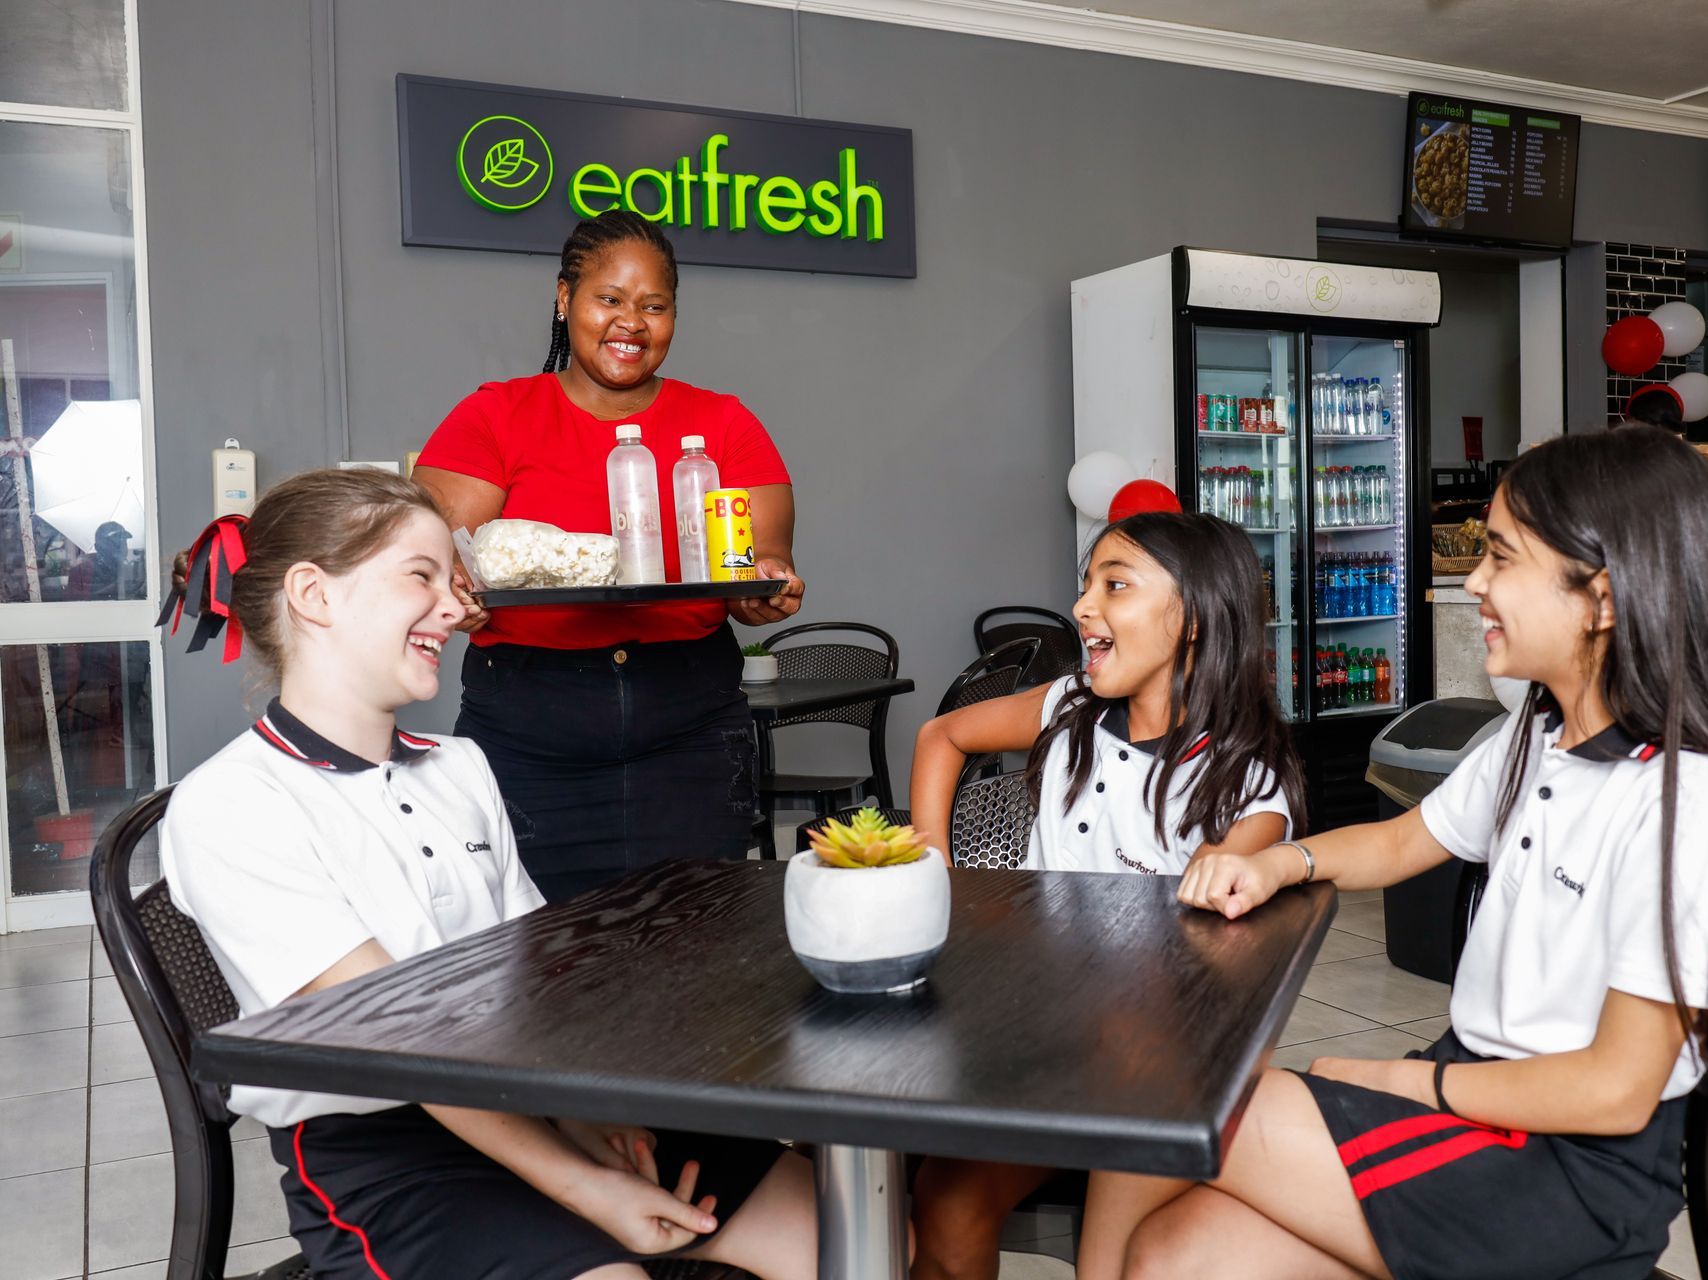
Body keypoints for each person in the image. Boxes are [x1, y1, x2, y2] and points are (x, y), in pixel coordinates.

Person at [1080, 426, 1708, 1280]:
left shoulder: (1689, 802)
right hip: (1477, 1106)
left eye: (1499, 557)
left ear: (1601, 598)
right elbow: (1400, 840)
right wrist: (1280, 862)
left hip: (1561, 1174)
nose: (1472, 581)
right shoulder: (1536, 735)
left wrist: (1409, 1085)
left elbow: (1615, 1088)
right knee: (1171, 1255)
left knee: (1171, 1083)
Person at [158, 469, 816, 1280]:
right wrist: (584, 1185)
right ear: (314, 595)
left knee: (842, 1226)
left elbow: (528, 986)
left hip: (525, 1102)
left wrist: (585, 1128)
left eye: (451, 578)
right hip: (387, 1158)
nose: (453, 607)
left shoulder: (462, 766)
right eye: (421, 578)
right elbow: (399, 1042)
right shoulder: (230, 804)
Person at [905, 511, 1307, 1280]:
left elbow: (1231, 893)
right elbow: (940, 737)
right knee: (945, 1200)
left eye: (1114, 586)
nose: (1084, 606)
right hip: (1037, 1041)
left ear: (1192, 618)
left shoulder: (1246, 780)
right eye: (1087, 584)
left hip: (1158, 1066)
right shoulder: (1066, 711)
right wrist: (935, 859)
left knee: (1113, 1267)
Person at [413, 209, 803, 902]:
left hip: (689, 741)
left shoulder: (723, 424)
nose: (633, 322)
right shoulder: (497, 414)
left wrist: (764, 585)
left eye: (654, 306)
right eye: (610, 300)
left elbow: (754, 574)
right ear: (564, 299)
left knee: (699, 945)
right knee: (537, 961)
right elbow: (428, 559)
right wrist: (453, 592)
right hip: (530, 744)